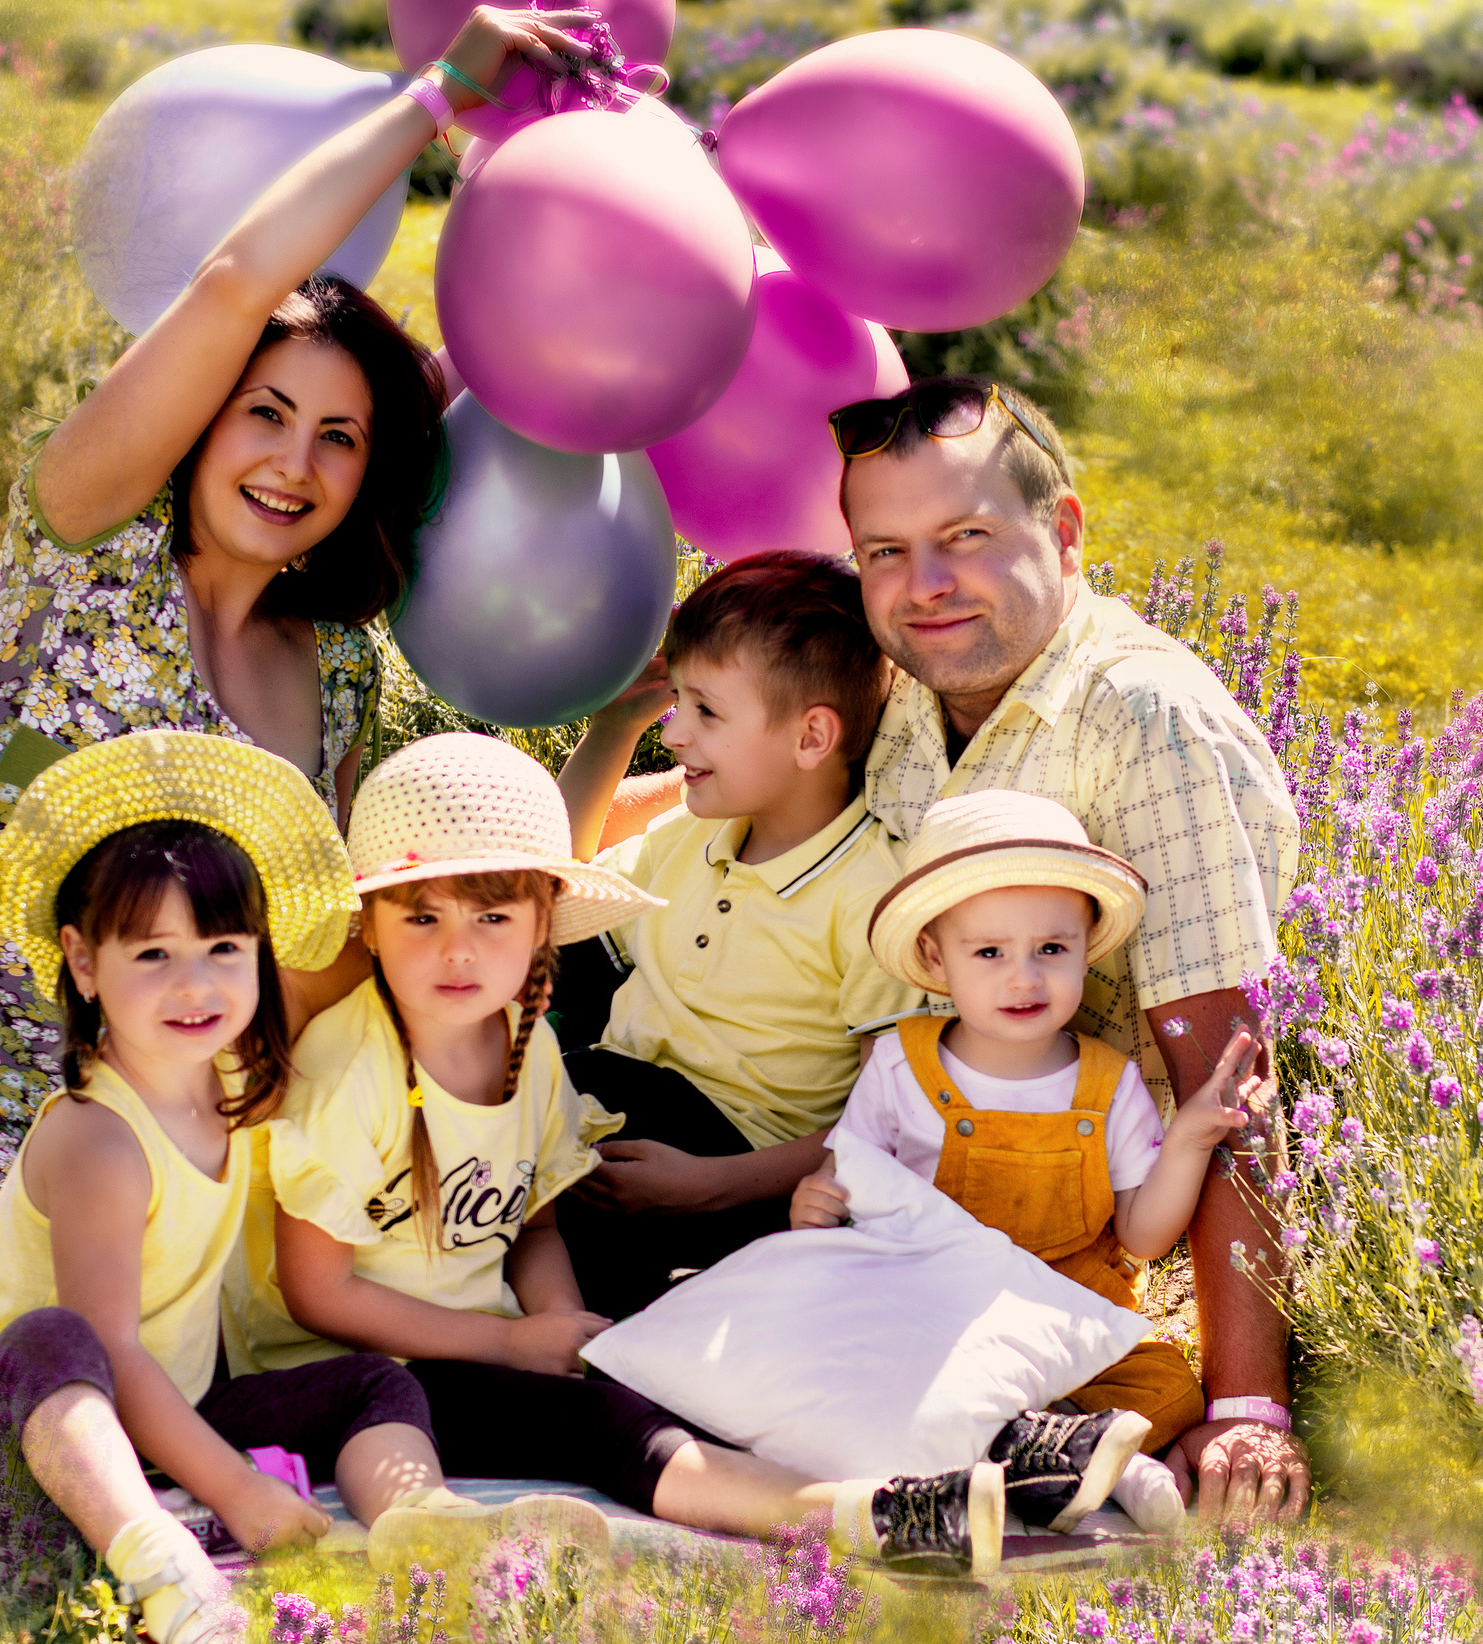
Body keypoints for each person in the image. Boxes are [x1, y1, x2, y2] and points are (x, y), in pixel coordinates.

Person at [0, 7, 599, 1345]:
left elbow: (348, 938)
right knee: (13, 1371)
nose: (293, 463)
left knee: (121, 1384)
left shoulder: (337, 669)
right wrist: (445, 93)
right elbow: (234, 282)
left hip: (155, 1140)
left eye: (340, 437)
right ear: (202, 415)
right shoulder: (88, 546)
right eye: (265, 412)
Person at [223, 733, 1111, 1576]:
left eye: (493, 916)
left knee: (697, 1332)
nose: (458, 951)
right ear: (369, 926)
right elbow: (317, 1293)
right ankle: (862, 1515)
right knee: (602, 1422)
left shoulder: (523, 1040)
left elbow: (534, 1225)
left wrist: (565, 1329)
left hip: (485, 1335)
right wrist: (514, 1343)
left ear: (541, 927)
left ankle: (999, 1442)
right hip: (365, 1374)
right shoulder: (350, 1071)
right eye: (421, 916)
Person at [834, 375, 1310, 1522]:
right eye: (885, 551)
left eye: (966, 537)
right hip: (912, 1187)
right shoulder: (918, 688)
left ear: (1064, 531)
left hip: (1082, 1227)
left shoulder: (1144, 721)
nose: (924, 584)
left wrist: (1247, 1405)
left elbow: (1228, 1076)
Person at [0, 731, 471, 1644]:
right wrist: (237, 1489)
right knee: (55, 1337)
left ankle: (422, 1529)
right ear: (83, 961)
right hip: (41, 1445)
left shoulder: (229, 1080)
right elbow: (112, 1351)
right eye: (153, 954)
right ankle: (164, 1574)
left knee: (374, 1381)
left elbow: (368, 969)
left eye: (225, 947)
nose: (195, 985)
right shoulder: (99, 1138)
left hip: (168, 1418)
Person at [790, 789, 1273, 1532]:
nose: (1024, 977)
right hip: (935, 1309)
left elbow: (1142, 1235)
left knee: (1167, 1385)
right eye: (990, 952)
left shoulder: (1106, 1083)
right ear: (935, 957)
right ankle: (1084, 1456)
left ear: (1086, 945)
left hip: (1067, 1315)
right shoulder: (899, 1066)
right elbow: (847, 1182)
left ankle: (1039, 1445)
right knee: (836, 1354)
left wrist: (1189, 1140)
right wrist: (817, 1205)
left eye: (1051, 949)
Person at [546, 551, 917, 1318]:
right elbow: (540, 899)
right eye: (677, 702)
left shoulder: (872, 896)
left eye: (706, 712)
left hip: (736, 1167)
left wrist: (707, 1187)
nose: (675, 733)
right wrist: (614, 728)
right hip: (600, 1103)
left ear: (811, 738)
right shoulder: (690, 835)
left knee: (618, 1300)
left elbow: (888, 1118)